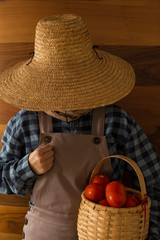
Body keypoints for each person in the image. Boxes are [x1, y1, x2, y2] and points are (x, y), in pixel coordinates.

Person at [0, 14, 159, 240]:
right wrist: (28, 167)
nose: (69, 103)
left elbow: (153, 183)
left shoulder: (117, 120)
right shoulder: (24, 122)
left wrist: (152, 233)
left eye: (75, 90)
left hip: (107, 233)